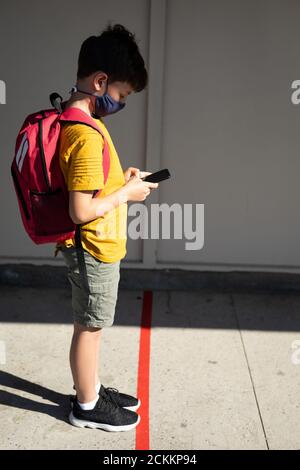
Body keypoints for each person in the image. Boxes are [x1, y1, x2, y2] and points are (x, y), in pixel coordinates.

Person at [55, 23, 158, 432]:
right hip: (92, 249)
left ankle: (91, 387)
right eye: (122, 95)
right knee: (90, 327)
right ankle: (86, 405)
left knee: (91, 325)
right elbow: (80, 210)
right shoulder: (84, 134)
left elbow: (91, 183)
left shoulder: (77, 120)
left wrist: (122, 180)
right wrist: (126, 196)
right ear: (100, 82)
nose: (122, 102)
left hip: (94, 247)